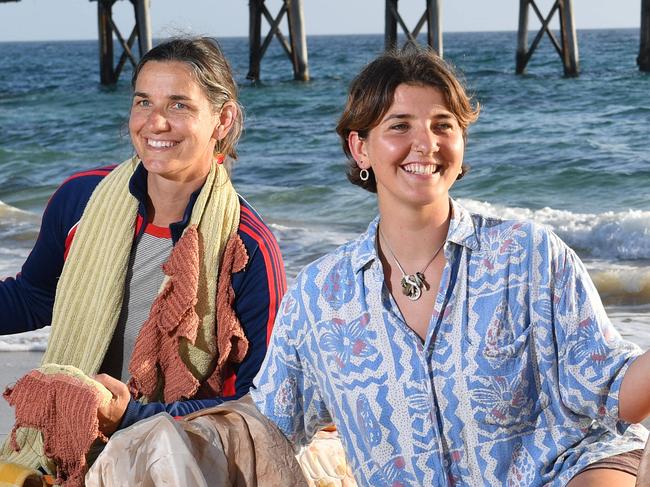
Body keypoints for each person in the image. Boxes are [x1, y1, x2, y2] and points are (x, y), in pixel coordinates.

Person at [88, 48, 650, 486]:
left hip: (569, 471)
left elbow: (609, 390)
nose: (424, 143)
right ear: (361, 148)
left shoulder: (527, 254)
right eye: (399, 125)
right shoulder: (322, 295)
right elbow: (265, 422)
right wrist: (137, 415)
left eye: (443, 124)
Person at [0, 36, 285, 467]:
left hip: (180, 461)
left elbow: (260, 402)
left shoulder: (246, 247)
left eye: (179, 105)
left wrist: (132, 416)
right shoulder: (82, 200)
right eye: (143, 103)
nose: (155, 123)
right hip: (65, 442)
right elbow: (36, 297)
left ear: (222, 119)